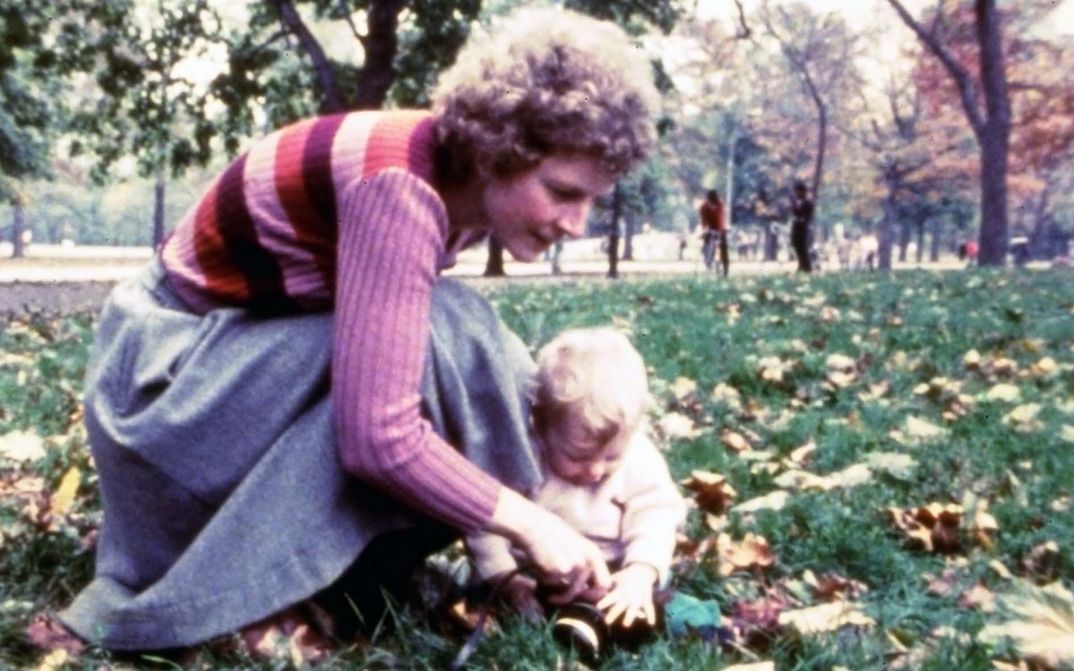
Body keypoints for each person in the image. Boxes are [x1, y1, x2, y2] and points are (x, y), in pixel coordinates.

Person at [56, 7, 659, 653]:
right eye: (563, 191)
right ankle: (250, 586)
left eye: (591, 199)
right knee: (449, 341)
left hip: (231, 364)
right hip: (163, 390)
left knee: (488, 358)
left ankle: (342, 574)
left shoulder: (452, 183)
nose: (576, 222)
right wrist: (532, 523)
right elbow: (378, 438)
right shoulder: (397, 186)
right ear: (497, 153)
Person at [467, 327, 685, 629]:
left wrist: (641, 572)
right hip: (531, 572)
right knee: (480, 596)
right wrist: (505, 577)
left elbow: (656, 512)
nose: (596, 470)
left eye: (611, 457)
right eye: (578, 457)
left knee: (666, 611)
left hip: (614, 572)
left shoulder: (638, 456)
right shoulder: (523, 455)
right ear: (541, 424)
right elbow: (485, 519)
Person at [699, 189, 729, 277]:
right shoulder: (703, 207)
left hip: (720, 229)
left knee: (724, 250)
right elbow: (703, 220)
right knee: (706, 248)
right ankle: (708, 263)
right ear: (708, 199)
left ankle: (725, 271)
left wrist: (721, 231)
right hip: (710, 229)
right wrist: (705, 229)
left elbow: (721, 219)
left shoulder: (720, 204)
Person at [790, 180, 814, 273]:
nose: (796, 193)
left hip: (802, 229)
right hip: (796, 228)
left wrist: (800, 219)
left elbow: (806, 217)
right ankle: (801, 265)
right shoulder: (797, 203)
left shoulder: (807, 203)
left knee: (802, 248)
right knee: (797, 247)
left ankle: (806, 266)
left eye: (798, 191)